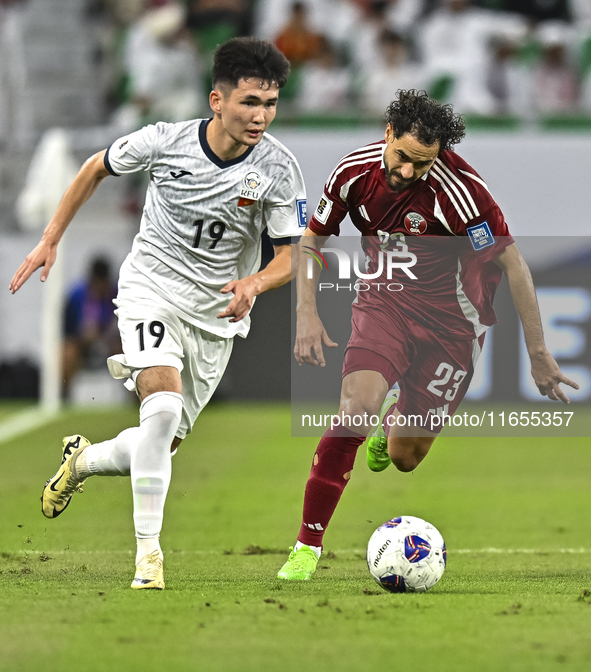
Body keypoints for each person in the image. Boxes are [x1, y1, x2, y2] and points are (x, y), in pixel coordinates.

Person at [10, 37, 306, 590]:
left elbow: (292, 254)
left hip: (216, 316)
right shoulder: (165, 142)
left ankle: (84, 462)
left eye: (269, 104)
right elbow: (96, 166)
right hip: (152, 286)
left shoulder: (279, 170)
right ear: (217, 100)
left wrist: (255, 282)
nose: (260, 116)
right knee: (163, 408)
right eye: (249, 102)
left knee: (159, 442)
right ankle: (149, 558)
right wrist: (51, 238)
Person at [277, 89, 578, 581]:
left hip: (453, 326)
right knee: (354, 410)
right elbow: (314, 239)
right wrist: (306, 311)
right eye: (404, 158)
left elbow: (514, 266)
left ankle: (392, 422)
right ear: (388, 133)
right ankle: (307, 545)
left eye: (424, 164)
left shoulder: (462, 193)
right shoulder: (352, 174)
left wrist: (538, 353)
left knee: (405, 457)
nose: (410, 172)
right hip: (384, 303)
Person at [62, 256, 120, 399]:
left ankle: (137, 398)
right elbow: (67, 331)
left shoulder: (117, 295)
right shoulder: (77, 296)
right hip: (83, 345)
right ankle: (63, 395)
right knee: (67, 352)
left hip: (111, 344)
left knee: (132, 354)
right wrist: (83, 338)